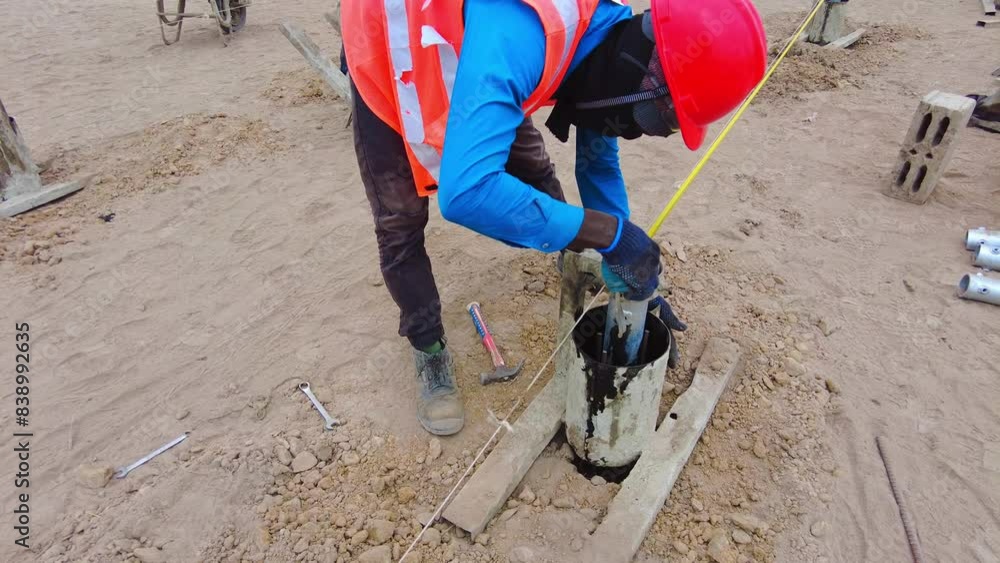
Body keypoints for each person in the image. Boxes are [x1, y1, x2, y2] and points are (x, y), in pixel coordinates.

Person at [341, 0, 767, 435]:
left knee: (536, 171)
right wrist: (610, 235)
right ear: (645, 74)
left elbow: (599, 160)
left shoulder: (606, 33)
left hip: (474, 47)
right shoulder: (524, 32)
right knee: (400, 221)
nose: (642, 131)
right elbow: (466, 193)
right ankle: (427, 345)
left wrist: (626, 263)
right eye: (658, 120)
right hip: (397, 50)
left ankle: (572, 252)